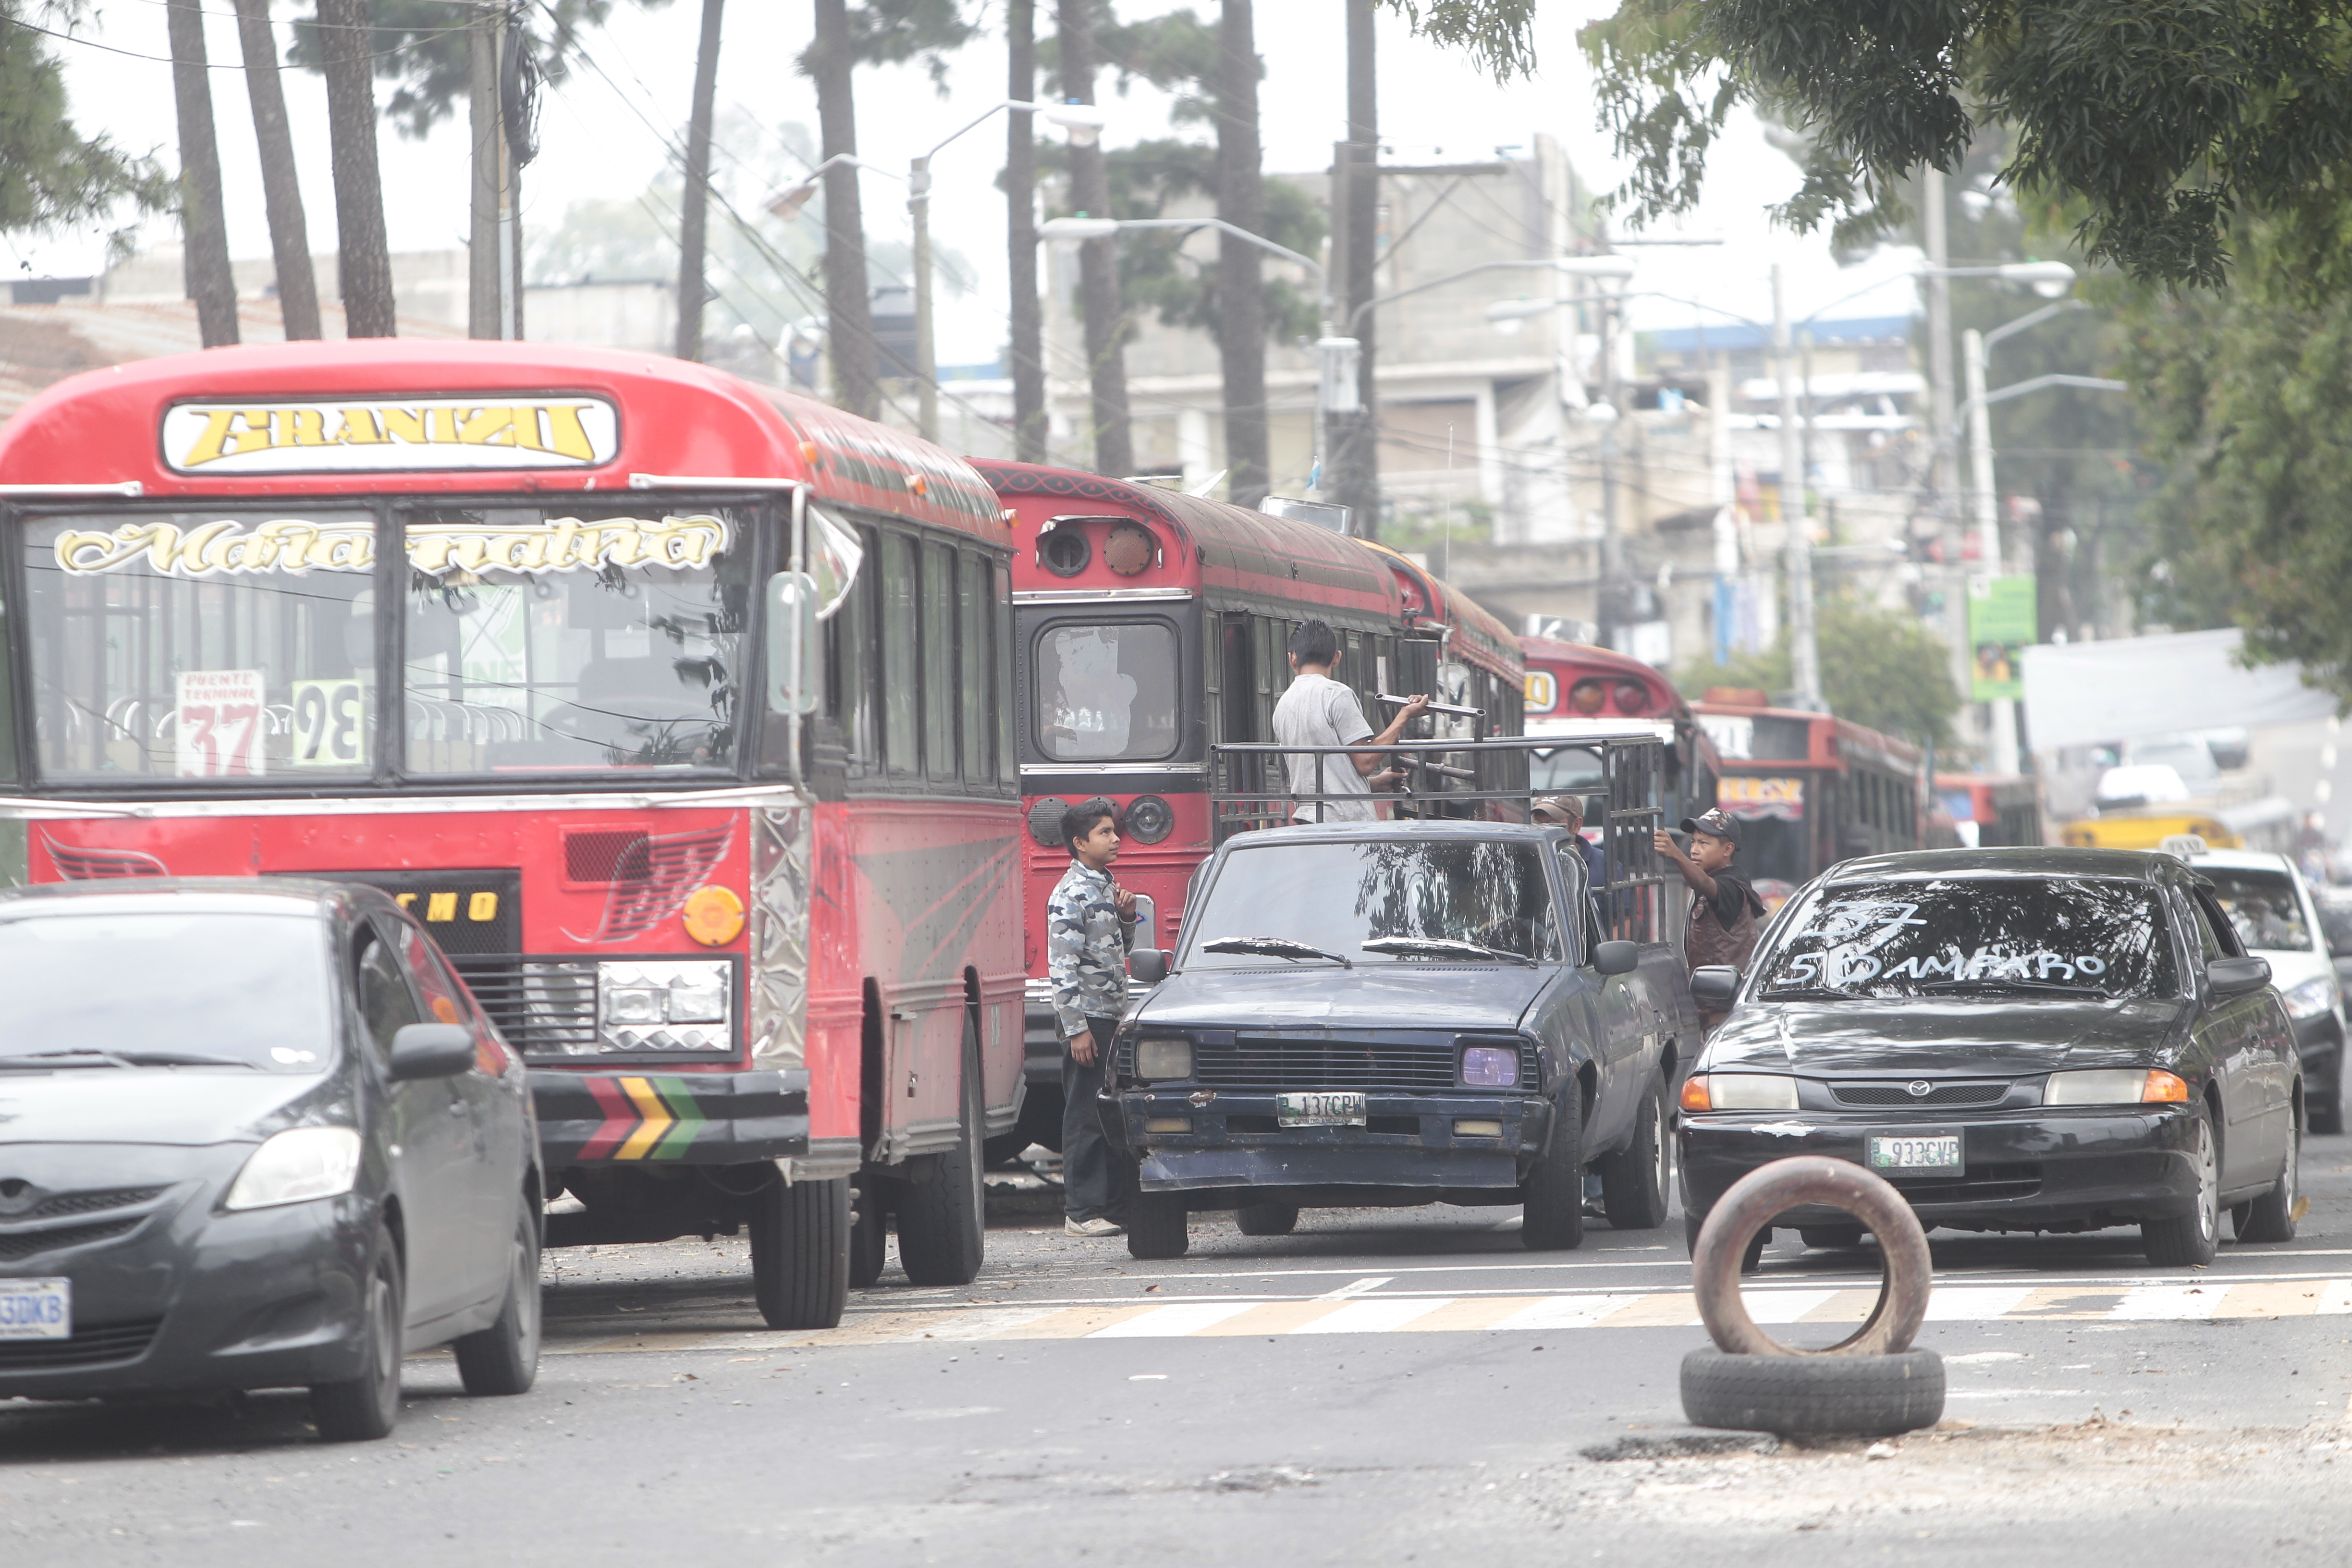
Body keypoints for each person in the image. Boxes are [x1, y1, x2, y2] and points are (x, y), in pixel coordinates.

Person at [1046, 796, 1143, 1237]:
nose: (1115, 839)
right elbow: (1061, 969)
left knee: (1111, 1114)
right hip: (1088, 1019)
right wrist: (1076, 1030)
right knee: (1085, 1114)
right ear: (1080, 843)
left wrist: (1127, 918)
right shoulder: (1070, 894)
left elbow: (1117, 952)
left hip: (1111, 1015)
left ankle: (1115, 1207)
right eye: (1105, 833)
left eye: (1114, 831)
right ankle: (1082, 1212)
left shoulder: (1106, 886)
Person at [1271, 620, 1429, 821]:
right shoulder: (1336, 694)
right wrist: (1404, 715)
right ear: (1336, 658)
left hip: (1308, 818)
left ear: (1292, 658)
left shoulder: (1283, 705)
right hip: (1345, 823)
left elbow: (1321, 777)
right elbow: (1365, 762)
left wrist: (1372, 784)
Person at [1654, 807, 1766, 1028]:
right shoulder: (1712, 878)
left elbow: (1705, 884)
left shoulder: (1732, 886)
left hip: (1726, 1013)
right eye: (1693, 842)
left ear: (1728, 849)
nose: (1695, 850)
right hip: (1709, 1009)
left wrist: (1676, 854)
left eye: (1704, 843)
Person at [1533, 795, 1605, 888]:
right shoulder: (1525, 861)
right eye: (1538, 824)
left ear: (1576, 825)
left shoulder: (1604, 865)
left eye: (1552, 825)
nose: (1543, 830)